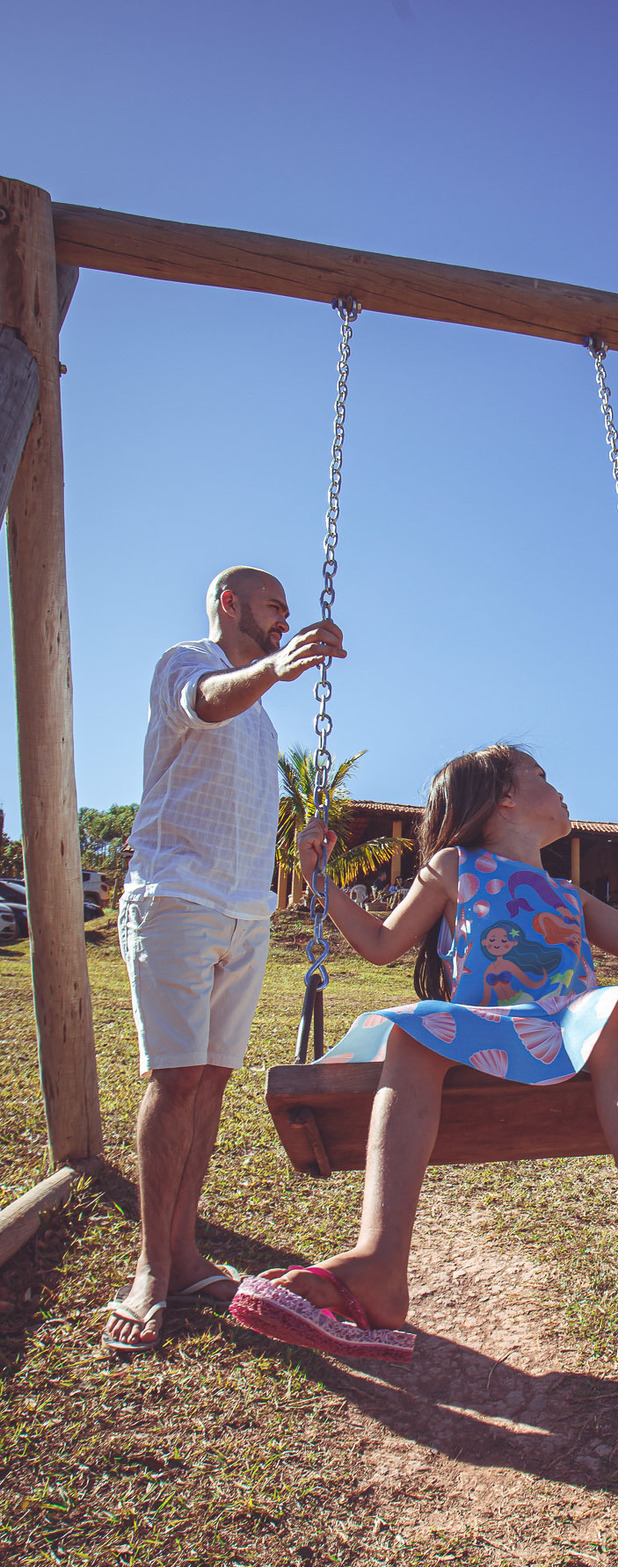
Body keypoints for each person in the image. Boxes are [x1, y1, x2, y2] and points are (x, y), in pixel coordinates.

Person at [231, 744, 618, 1359]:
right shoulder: (454, 868)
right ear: (506, 798)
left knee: (615, 1007)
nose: (560, 788)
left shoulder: (568, 894)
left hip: (572, 1030)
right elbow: (381, 944)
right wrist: (320, 881)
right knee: (412, 1031)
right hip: (487, 1027)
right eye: (543, 777)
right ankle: (380, 1265)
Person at [102, 567, 345, 1353]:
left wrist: (298, 850)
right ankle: (149, 1270)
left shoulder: (265, 724)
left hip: (245, 909)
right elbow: (207, 702)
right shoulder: (188, 661)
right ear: (230, 604)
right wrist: (276, 668)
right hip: (174, 897)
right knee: (174, 1080)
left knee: (209, 1082)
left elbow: (237, 802)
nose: (286, 618)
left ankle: (184, 1258)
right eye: (275, 605)